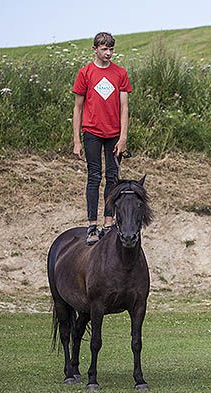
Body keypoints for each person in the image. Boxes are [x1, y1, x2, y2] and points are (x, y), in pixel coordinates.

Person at [72, 32, 132, 245]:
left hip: (114, 134)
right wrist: (77, 140)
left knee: (112, 177)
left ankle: (108, 223)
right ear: (95, 49)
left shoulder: (120, 73)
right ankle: (91, 225)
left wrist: (123, 136)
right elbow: (78, 108)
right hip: (92, 133)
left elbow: (124, 107)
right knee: (94, 177)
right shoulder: (85, 73)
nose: (108, 53)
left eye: (111, 49)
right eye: (104, 49)